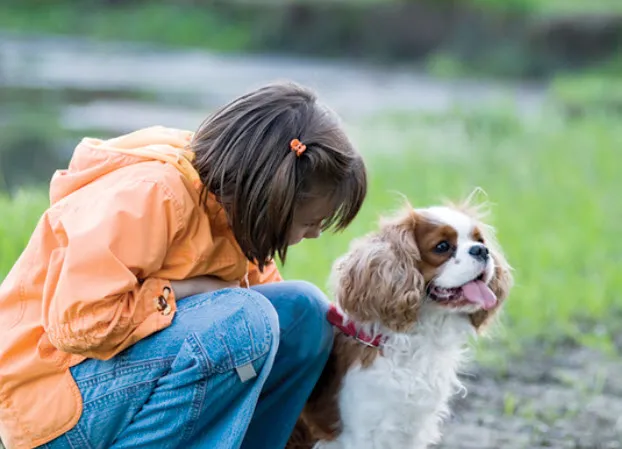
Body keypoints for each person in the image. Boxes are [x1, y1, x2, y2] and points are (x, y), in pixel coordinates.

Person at [0, 81, 367, 449]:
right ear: (272, 197)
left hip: (113, 386)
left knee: (304, 316)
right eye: (310, 223)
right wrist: (186, 290)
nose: (316, 234)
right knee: (245, 321)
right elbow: (79, 324)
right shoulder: (152, 194)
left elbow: (277, 317)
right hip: (54, 405)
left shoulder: (235, 212)